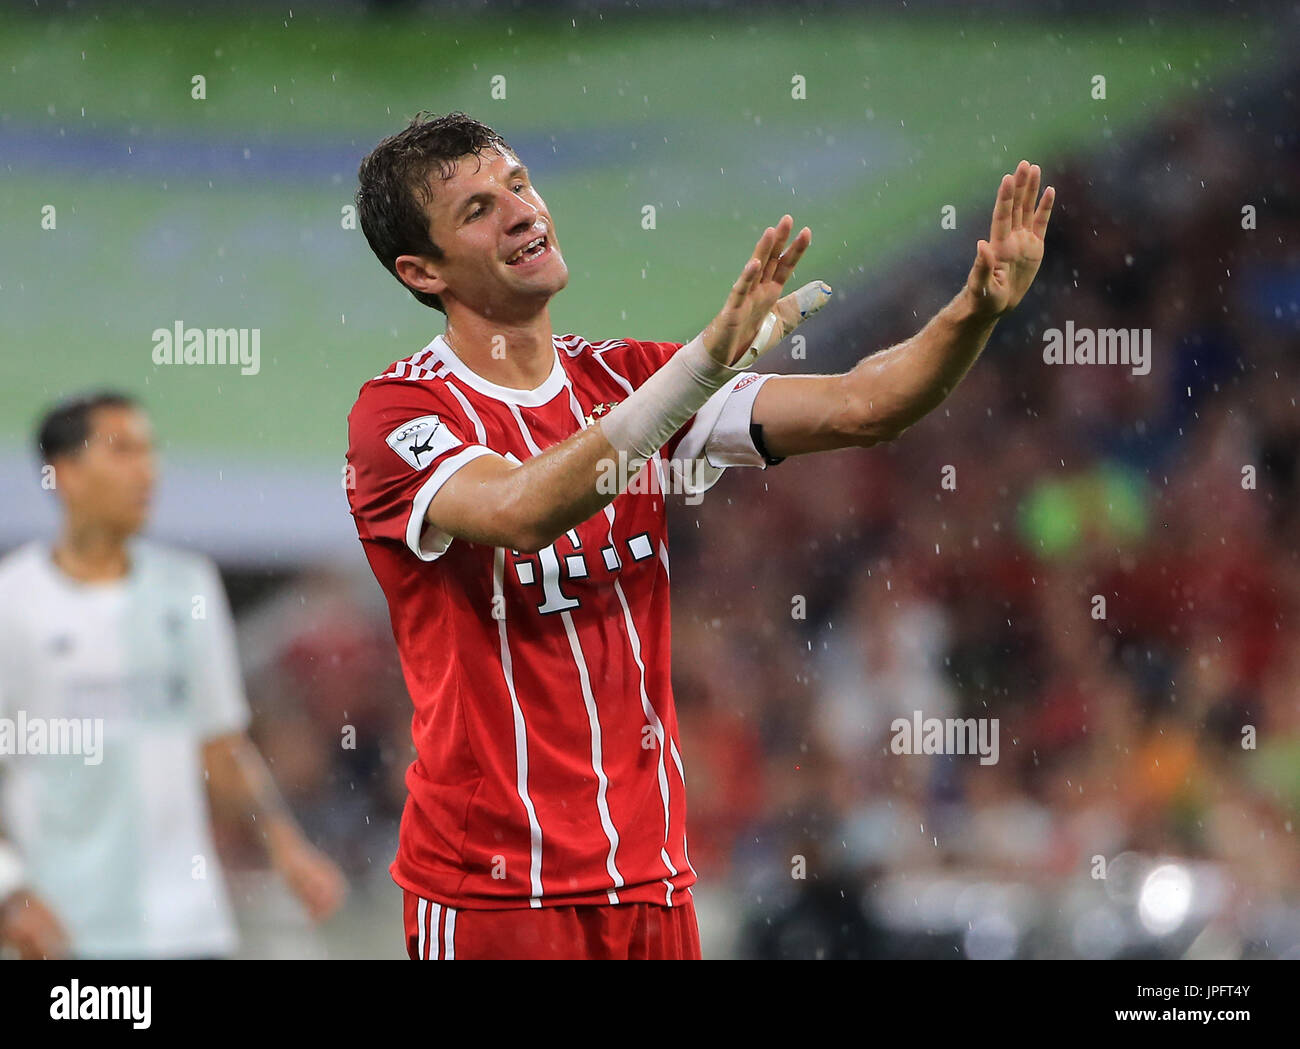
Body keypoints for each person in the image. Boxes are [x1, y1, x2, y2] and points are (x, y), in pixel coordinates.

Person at [346, 110, 1053, 959]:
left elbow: (864, 406)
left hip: (652, 880)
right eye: (478, 210)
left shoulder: (628, 377)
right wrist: (698, 369)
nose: (522, 211)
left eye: (521, 184)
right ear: (422, 271)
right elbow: (522, 510)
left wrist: (974, 310)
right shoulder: (398, 414)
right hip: (495, 890)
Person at [0, 393, 347, 959]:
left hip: (187, 926)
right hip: (63, 930)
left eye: (150, 451)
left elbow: (222, 747)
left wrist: (288, 847)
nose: (147, 469)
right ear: (64, 473)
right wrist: (10, 891)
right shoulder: (12, 600)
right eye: (122, 450)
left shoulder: (187, 587)